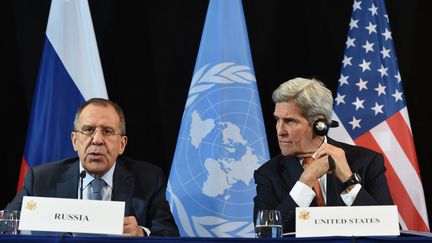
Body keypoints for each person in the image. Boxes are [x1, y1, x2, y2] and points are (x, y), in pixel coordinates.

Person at [6, 98, 179, 237]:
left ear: (122, 144)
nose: (97, 140)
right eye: (88, 130)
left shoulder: (149, 179)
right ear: (75, 141)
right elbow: (6, 226)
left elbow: (169, 235)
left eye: (108, 131)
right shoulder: (41, 179)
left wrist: (141, 233)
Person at [253, 77, 394, 233]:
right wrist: (305, 182)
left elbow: (389, 230)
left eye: (290, 121)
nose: (280, 131)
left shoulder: (367, 161)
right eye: (277, 120)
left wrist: (349, 180)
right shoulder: (268, 174)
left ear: (319, 125)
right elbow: (266, 234)